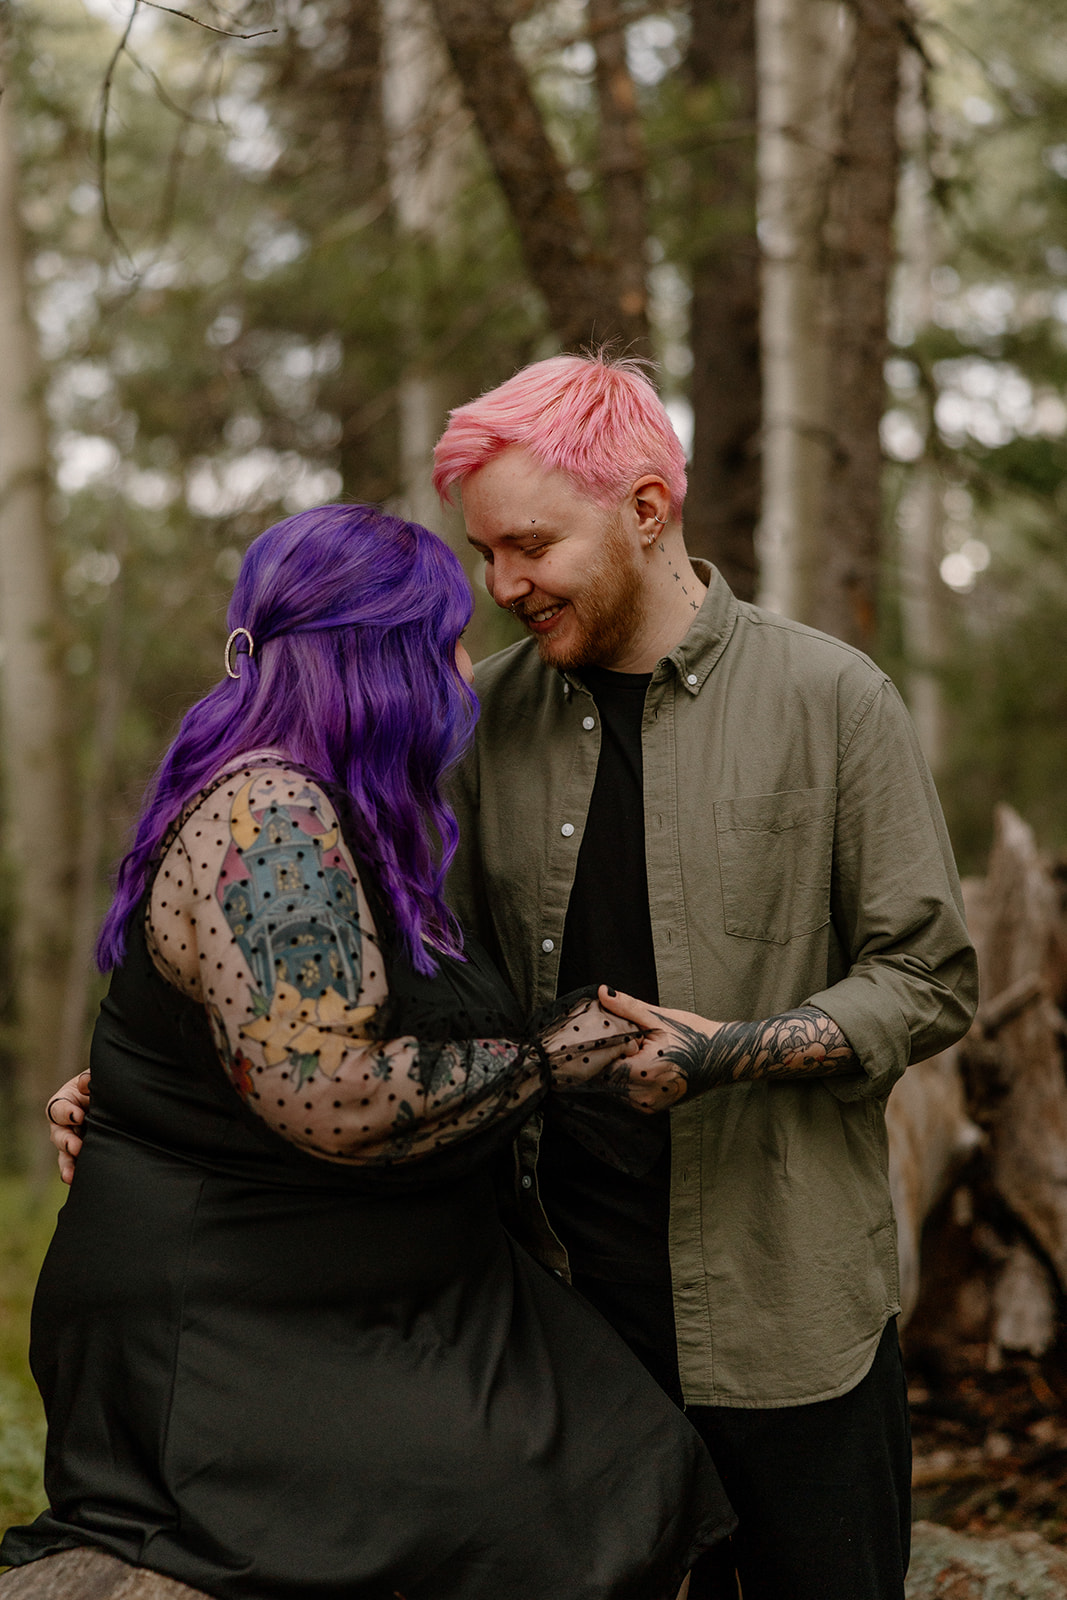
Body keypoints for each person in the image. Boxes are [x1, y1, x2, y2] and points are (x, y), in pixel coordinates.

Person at [8, 504, 734, 1600]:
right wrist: (556, 1054)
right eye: (446, 643)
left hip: (351, 1282)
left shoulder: (335, 808)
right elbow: (334, 1097)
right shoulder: (271, 815)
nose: (465, 670)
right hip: (233, 1316)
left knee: (620, 1450)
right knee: (563, 1496)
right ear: (380, 659)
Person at [429, 353, 981, 1600]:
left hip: (789, 1314)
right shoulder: (476, 724)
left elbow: (930, 974)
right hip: (558, 1323)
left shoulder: (832, 698)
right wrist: (153, 1094)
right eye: (485, 553)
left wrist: (727, 1051)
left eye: (530, 546)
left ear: (644, 508)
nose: (501, 585)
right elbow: (413, 984)